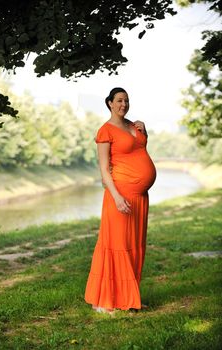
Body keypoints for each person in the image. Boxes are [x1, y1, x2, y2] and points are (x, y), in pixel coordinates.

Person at [84, 87, 156, 314]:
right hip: (121, 196)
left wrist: (145, 132)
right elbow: (104, 170)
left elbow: (138, 152)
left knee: (134, 246)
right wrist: (116, 197)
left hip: (140, 197)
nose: (123, 104)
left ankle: (129, 298)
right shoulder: (106, 131)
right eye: (119, 100)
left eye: (126, 100)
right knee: (115, 246)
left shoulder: (133, 125)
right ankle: (103, 301)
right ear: (109, 104)